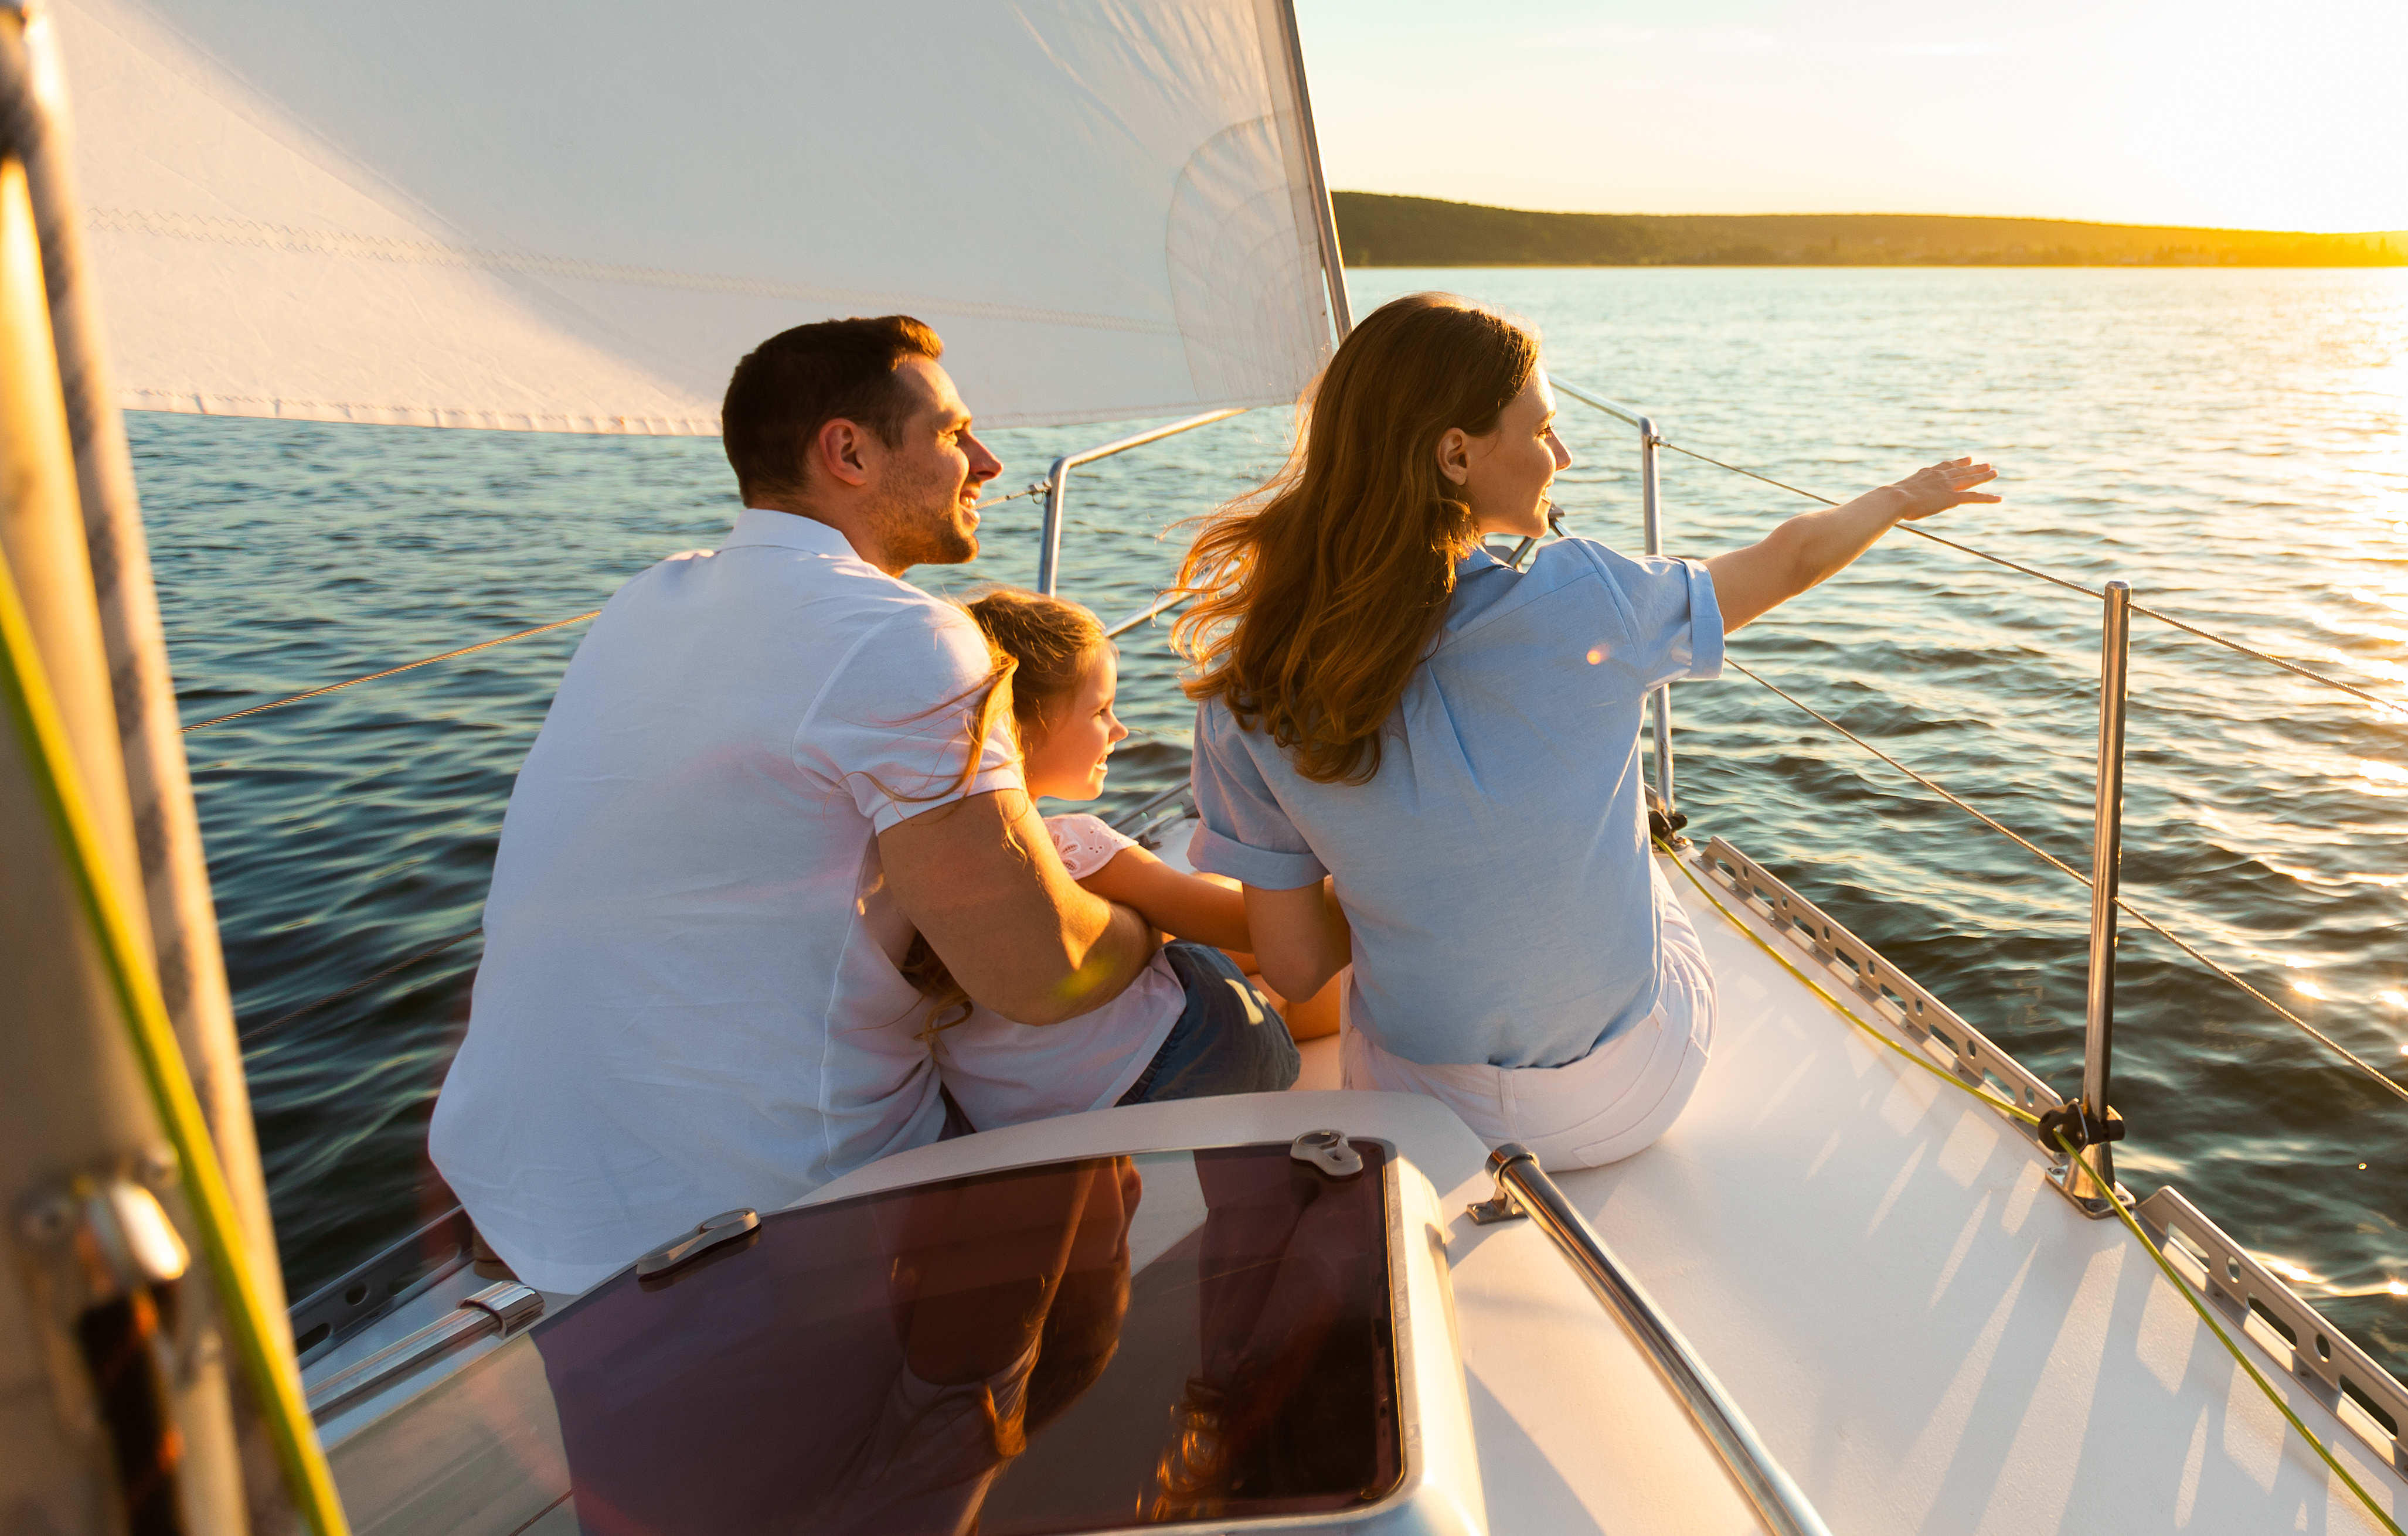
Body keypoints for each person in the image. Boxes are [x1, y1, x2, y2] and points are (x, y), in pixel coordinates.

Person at [428, 316, 1284, 1294]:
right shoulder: (904, 636)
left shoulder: (648, 597)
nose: (989, 460)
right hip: (769, 1202)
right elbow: (1037, 969)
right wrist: (1148, 927)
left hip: (521, 1186)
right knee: (1211, 1002)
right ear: (849, 451)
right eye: (955, 431)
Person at [1178, 291, 1999, 1168]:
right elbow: (1788, 560)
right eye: (1540, 431)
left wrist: (1405, 881)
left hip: (1422, 1117)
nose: (1562, 456)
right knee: (1644, 855)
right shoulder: (1591, 597)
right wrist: (1898, 497)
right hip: (1629, 1094)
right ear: (1454, 454)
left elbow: (1296, 970)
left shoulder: (1247, 694)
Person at [911, 588, 1295, 1130]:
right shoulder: (1075, 848)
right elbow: (1255, 929)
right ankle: (1281, 1010)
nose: (1120, 730)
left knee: (1194, 912)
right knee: (1240, 967)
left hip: (1018, 1121)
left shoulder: (913, 869)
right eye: (1101, 710)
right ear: (1022, 728)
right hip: (1186, 1066)